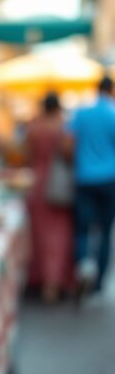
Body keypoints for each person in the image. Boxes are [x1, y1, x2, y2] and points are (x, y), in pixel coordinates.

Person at [67, 76, 115, 295]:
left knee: (83, 229)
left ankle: (83, 266)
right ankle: (97, 286)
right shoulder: (112, 114)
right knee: (105, 232)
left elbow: (67, 145)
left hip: (84, 177)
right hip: (108, 179)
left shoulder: (81, 112)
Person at [25, 93, 73, 302]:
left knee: (40, 235)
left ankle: (41, 279)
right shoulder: (64, 128)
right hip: (58, 184)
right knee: (59, 237)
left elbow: (27, 156)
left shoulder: (34, 128)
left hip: (38, 182)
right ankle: (55, 282)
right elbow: (69, 154)